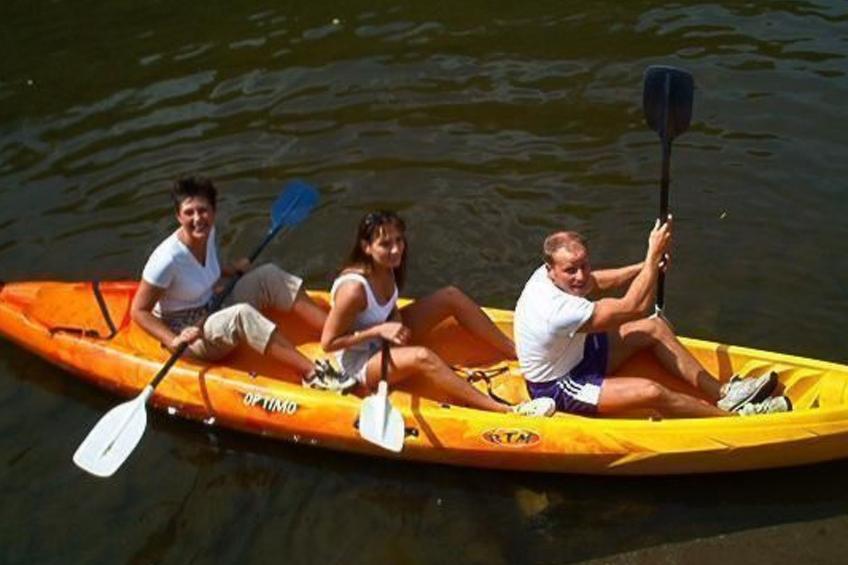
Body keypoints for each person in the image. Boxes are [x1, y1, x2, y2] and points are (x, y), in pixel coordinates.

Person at [514, 216, 792, 418]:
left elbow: (594, 282)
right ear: (551, 269)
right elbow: (634, 306)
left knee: (655, 327)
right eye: (571, 270)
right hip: (559, 385)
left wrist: (645, 267)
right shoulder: (557, 311)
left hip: (580, 354)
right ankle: (738, 419)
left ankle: (725, 394)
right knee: (652, 392)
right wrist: (652, 255)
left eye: (584, 265)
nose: (581, 275)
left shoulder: (550, 275)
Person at [321, 210, 555, 417]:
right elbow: (329, 343)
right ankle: (504, 410)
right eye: (385, 244)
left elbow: (389, 306)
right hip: (359, 362)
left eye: (399, 240)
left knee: (450, 296)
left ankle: (516, 353)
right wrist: (379, 331)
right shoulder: (353, 290)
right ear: (366, 247)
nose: (395, 249)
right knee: (423, 356)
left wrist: (395, 321)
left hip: (384, 341)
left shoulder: (388, 267)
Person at [131, 175, 351, 390]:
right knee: (241, 314)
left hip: (213, 305)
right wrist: (173, 340)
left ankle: (338, 334)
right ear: (178, 216)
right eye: (189, 213)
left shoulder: (207, 232)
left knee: (269, 275)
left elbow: (203, 272)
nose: (198, 219)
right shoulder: (166, 260)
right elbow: (139, 311)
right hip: (189, 334)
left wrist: (230, 269)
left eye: (203, 210)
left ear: (213, 212)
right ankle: (313, 374)